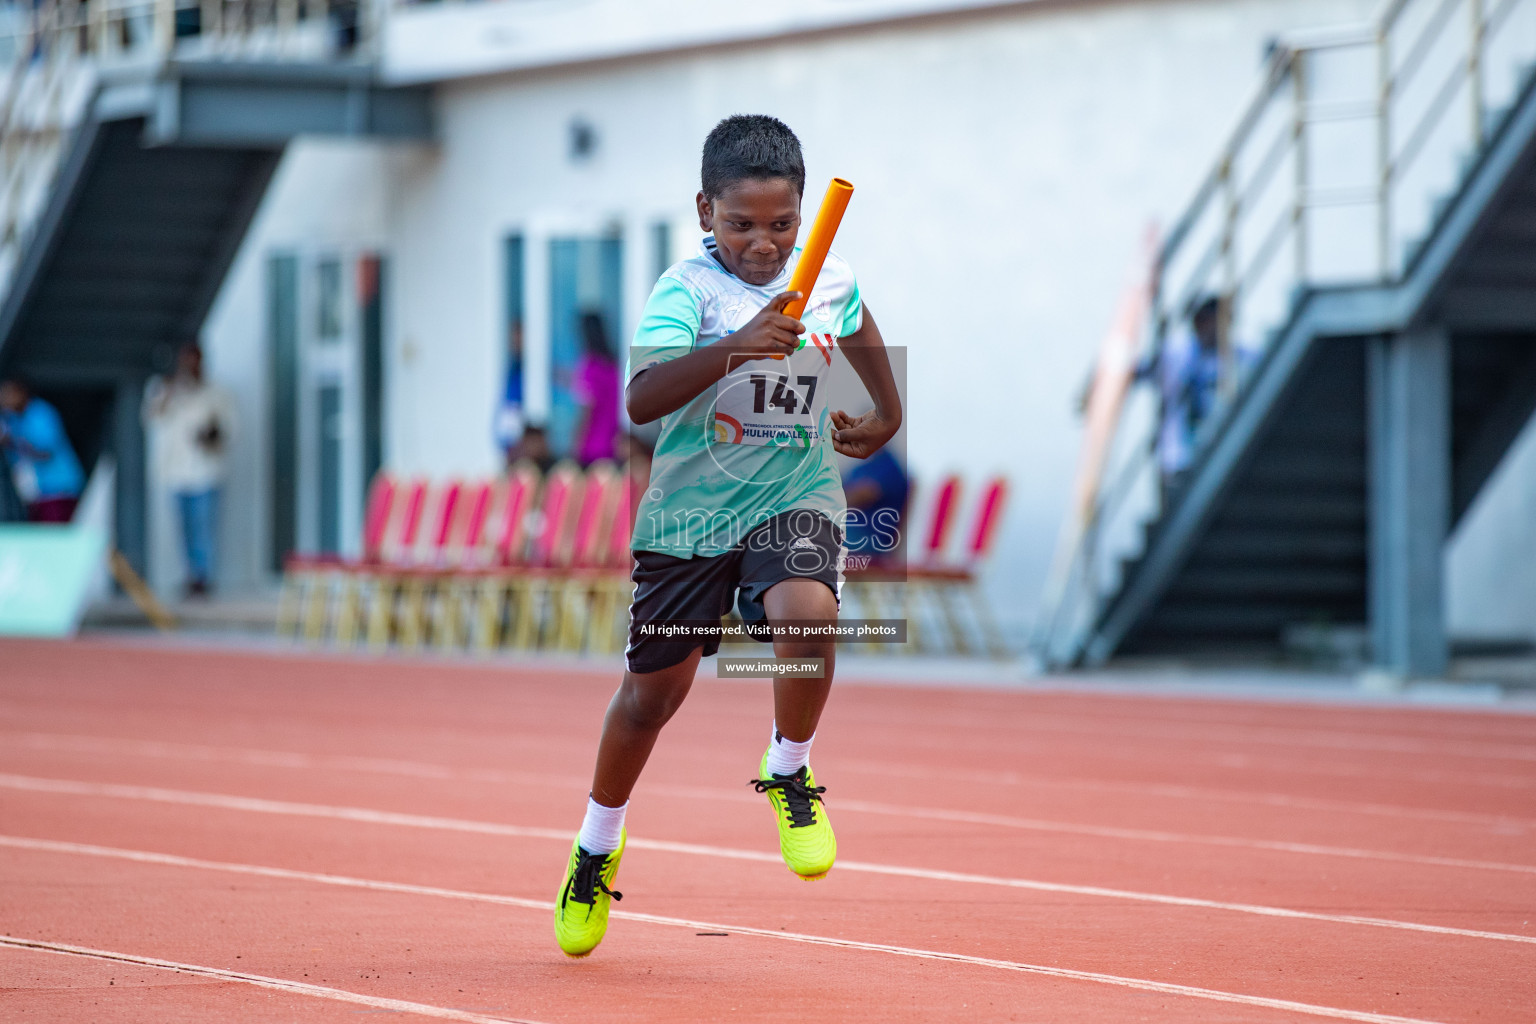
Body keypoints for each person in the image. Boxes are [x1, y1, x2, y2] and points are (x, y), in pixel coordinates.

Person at [553, 115, 902, 958]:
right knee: (651, 699)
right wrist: (735, 350)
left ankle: (790, 768)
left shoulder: (829, 277)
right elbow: (640, 400)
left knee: (808, 616)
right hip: (692, 515)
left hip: (795, 490)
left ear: (802, 213)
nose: (762, 243)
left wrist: (887, 414)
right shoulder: (687, 292)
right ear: (705, 209)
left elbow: (855, 324)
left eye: (781, 225)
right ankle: (596, 848)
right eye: (740, 224)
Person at [143, 343, 236, 597]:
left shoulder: (216, 393)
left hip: (206, 472)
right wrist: (171, 388)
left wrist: (209, 436)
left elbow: (227, 430)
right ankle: (190, 575)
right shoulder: (167, 390)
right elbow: (152, 416)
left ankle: (203, 578)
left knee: (204, 527)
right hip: (176, 473)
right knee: (184, 529)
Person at [0, 378, 84, 523]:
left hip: (58, 490)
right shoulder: (12, 419)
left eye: (8, 394)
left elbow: (45, 453)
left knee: (53, 537)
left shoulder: (40, 413)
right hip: (35, 492)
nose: (4, 399)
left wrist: (11, 443)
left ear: (21, 392)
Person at [841, 446, 908, 571]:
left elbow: (863, 495)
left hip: (870, 540)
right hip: (851, 533)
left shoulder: (888, 466)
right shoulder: (863, 466)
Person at [572, 311, 621, 466]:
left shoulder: (590, 367)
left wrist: (576, 442)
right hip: (612, 443)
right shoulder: (612, 366)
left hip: (592, 447)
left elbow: (587, 409)